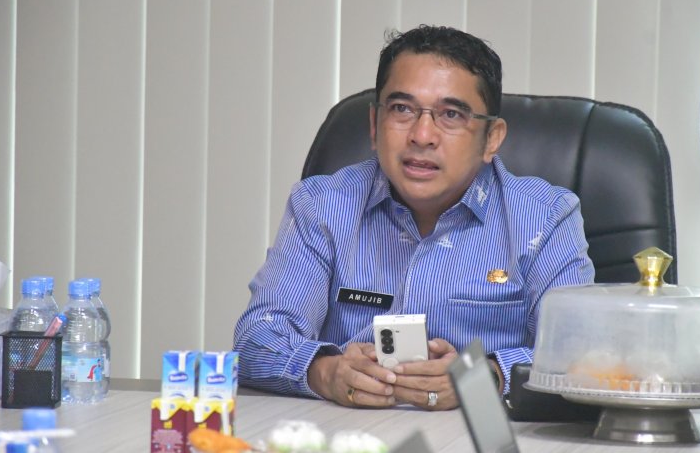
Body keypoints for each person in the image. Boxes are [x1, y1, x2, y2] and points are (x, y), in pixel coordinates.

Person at [234, 25, 594, 410]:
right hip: (349, 428)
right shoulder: (322, 206)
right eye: (402, 109)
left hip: (477, 431)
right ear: (375, 126)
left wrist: (483, 378)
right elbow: (257, 338)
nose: (422, 135)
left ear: (491, 138)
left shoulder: (545, 218)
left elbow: (580, 354)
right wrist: (326, 373)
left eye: (451, 114)